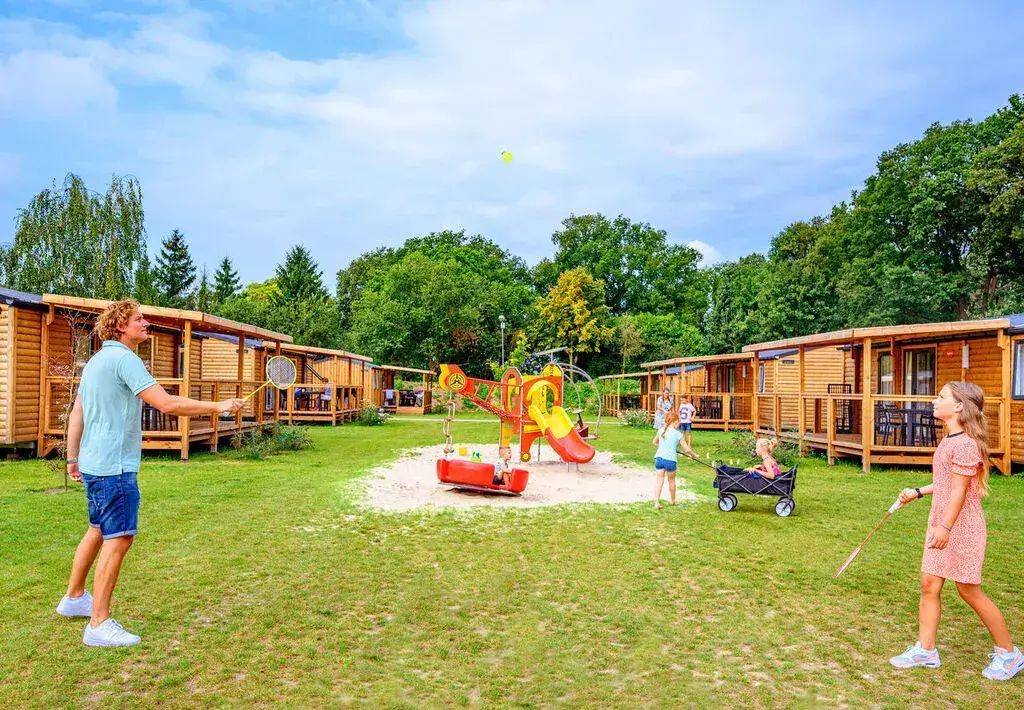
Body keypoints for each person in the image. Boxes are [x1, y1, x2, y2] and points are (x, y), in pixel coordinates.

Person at [56, 300, 245, 648]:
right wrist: (218, 405)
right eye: (138, 319)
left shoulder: (96, 361)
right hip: (114, 467)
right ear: (120, 326)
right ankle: (98, 624)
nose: (146, 324)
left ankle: (74, 597)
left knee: (98, 528)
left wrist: (72, 458)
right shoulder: (125, 360)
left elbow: (77, 413)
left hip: (94, 463)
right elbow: (166, 403)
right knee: (119, 538)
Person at [889, 382, 1023, 680]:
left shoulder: (965, 444)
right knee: (929, 584)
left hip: (961, 526)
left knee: (968, 590)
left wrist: (945, 527)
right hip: (943, 522)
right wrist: (918, 491)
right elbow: (947, 483)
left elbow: (959, 491)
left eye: (941, 397)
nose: (934, 401)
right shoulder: (951, 439)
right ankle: (926, 651)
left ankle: (1009, 654)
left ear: (959, 406)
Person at [651, 410, 694, 510]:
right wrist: (694, 455)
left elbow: (654, 442)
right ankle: (672, 500)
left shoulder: (661, 430)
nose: (679, 424)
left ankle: (656, 502)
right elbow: (687, 449)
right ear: (674, 421)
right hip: (670, 461)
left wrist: (664, 446)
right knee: (671, 481)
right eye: (679, 422)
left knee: (659, 481)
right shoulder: (679, 434)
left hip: (659, 459)